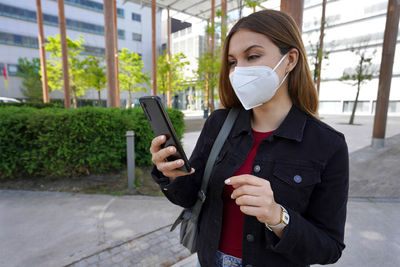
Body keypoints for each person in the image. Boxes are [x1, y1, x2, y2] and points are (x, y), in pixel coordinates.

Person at [150, 9, 349, 267]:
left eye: (252, 56)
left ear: (290, 60)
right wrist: (174, 174)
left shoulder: (328, 144)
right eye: (232, 62)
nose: (239, 71)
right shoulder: (219, 123)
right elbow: (188, 198)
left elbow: (329, 249)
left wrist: (278, 217)